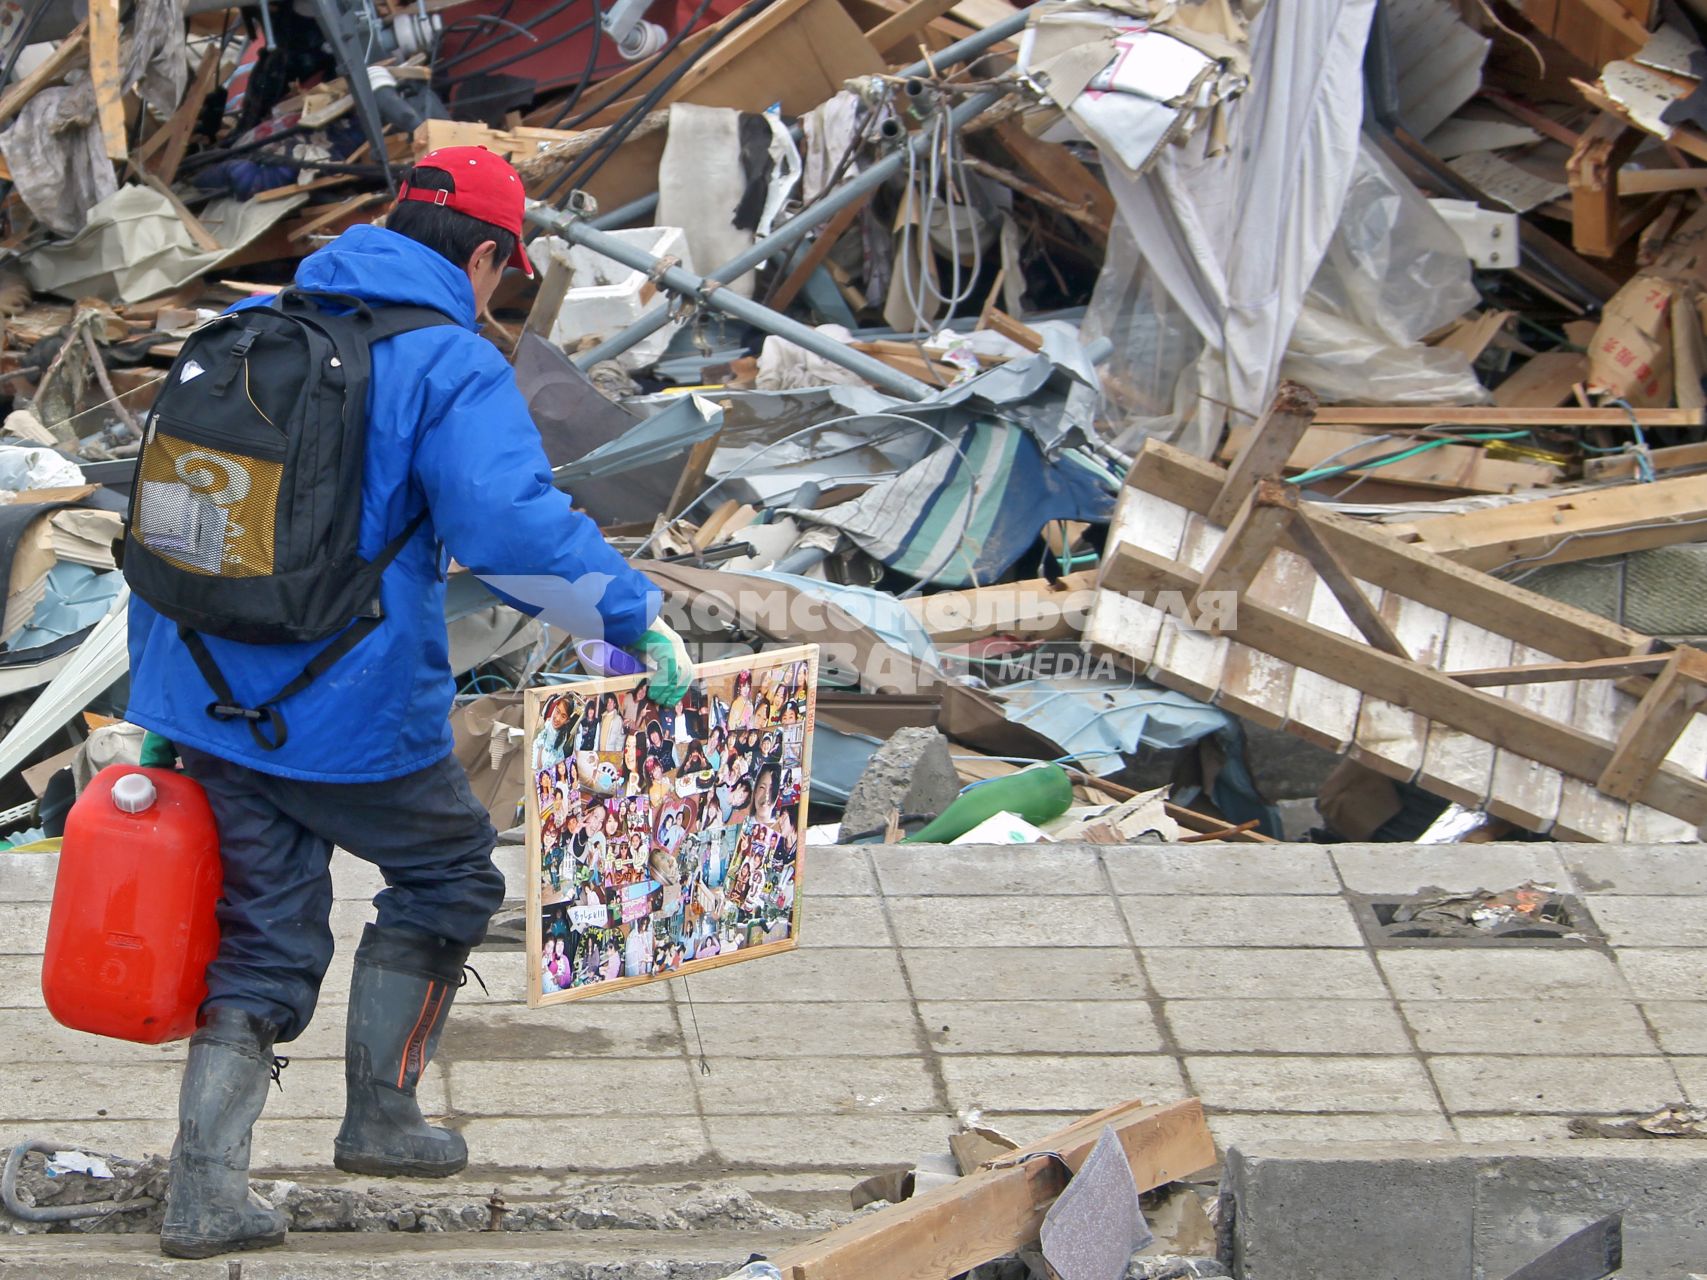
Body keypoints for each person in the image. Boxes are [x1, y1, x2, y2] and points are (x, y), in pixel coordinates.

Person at [124, 148, 696, 1260]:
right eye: (506, 274)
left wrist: (167, 702)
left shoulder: (250, 327)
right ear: (484, 258)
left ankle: (205, 1193)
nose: (501, 295)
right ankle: (381, 1111)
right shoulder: (448, 363)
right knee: (448, 874)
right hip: (350, 709)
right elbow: (509, 532)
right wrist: (631, 616)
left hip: (211, 698)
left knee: (262, 935)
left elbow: (172, 528)